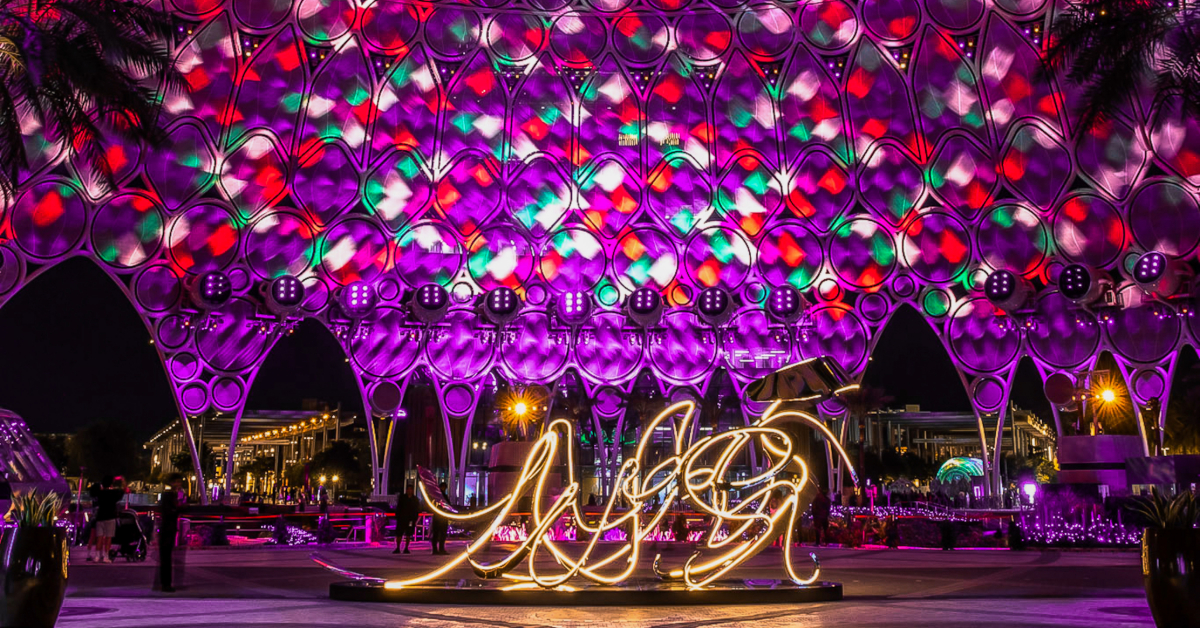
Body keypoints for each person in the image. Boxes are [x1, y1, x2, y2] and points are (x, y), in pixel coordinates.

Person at [158, 475, 186, 592]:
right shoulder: (169, 495)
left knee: (166, 556)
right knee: (166, 557)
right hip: (168, 528)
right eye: (177, 482)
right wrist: (180, 505)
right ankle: (166, 584)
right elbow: (171, 511)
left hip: (167, 528)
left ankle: (165, 583)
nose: (179, 485)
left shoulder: (168, 495)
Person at [94, 476, 128, 563]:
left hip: (100, 517)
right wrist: (122, 480)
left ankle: (97, 556)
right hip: (110, 517)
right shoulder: (114, 493)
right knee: (108, 538)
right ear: (111, 484)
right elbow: (124, 490)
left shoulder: (100, 493)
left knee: (99, 537)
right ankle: (106, 556)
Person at [393, 485, 419, 555]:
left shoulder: (415, 499)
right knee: (399, 533)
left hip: (410, 519)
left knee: (408, 534)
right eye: (408, 489)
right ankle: (398, 547)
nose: (409, 491)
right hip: (402, 518)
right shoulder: (402, 498)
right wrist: (398, 516)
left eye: (411, 489)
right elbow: (399, 508)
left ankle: (406, 548)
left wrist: (414, 519)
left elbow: (417, 510)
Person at [430, 483, 449, 555]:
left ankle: (441, 549)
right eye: (442, 487)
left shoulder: (444, 496)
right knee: (436, 534)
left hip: (443, 518)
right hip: (438, 517)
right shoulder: (437, 496)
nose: (443, 489)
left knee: (442, 534)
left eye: (444, 487)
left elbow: (447, 506)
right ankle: (435, 549)